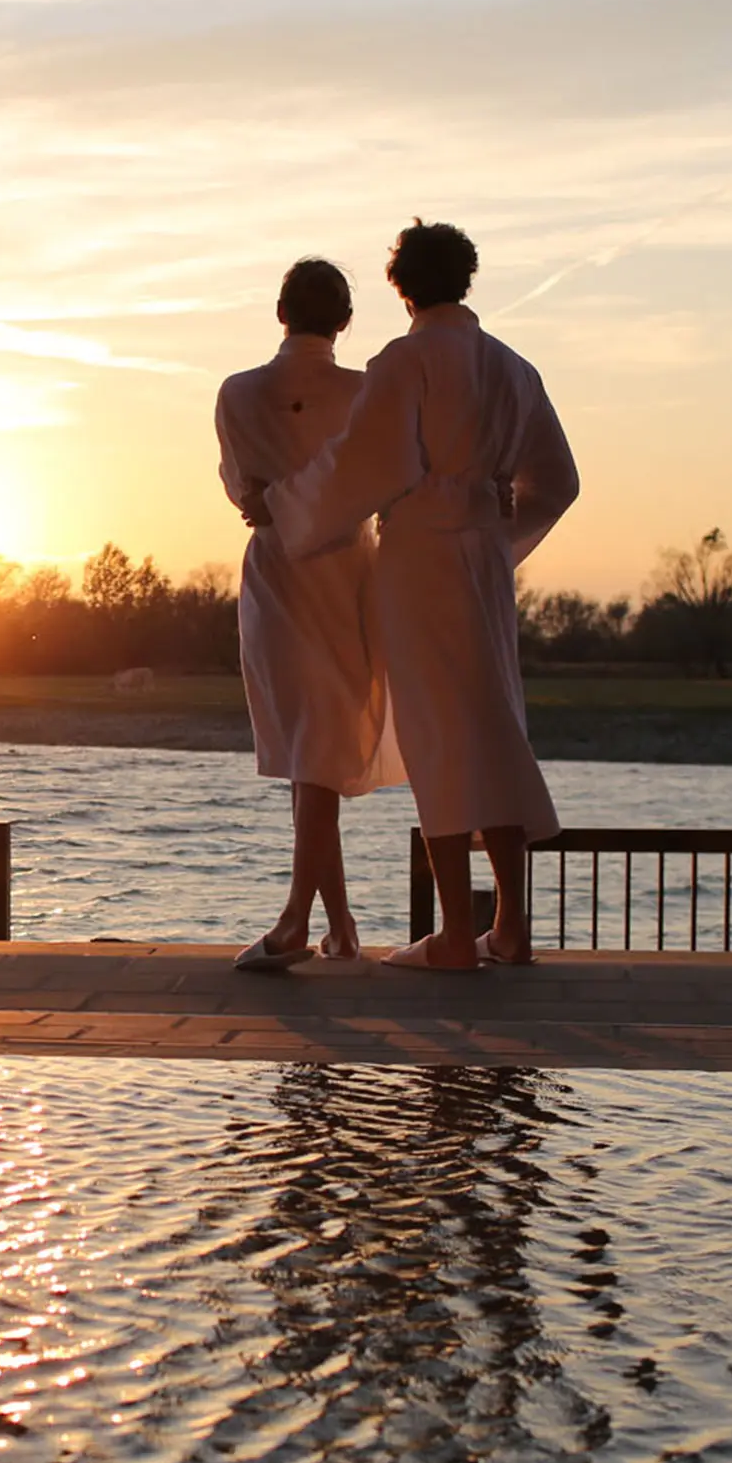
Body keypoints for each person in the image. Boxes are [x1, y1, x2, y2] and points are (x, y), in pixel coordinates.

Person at [264, 221, 579, 970]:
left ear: (401, 286)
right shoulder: (515, 369)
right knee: (492, 723)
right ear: (464, 280)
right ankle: (509, 924)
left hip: (419, 557)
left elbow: (366, 460)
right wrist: (500, 537)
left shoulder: (404, 361)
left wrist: (289, 506)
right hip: (482, 562)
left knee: (436, 730)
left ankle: (453, 940)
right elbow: (559, 482)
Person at [217, 257, 399, 969]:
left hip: (277, 570)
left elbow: (242, 489)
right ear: (346, 321)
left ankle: (302, 921)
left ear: (280, 313)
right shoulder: (364, 393)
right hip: (347, 569)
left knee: (310, 751)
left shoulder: (236, 393)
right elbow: (382, 477)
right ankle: (339, 924)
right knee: (312, 753)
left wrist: (270, 500)